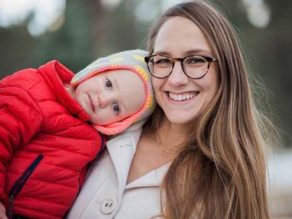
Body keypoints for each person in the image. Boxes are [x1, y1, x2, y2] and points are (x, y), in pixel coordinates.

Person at [67, 1, 272, 219]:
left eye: (195, 60)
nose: (176, 79)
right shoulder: (107, 127)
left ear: (225, 70)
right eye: (163, 60)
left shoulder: (227, 187)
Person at [0, 49, 155, 219]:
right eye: (108, 84)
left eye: (116, 108)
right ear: (95, 70)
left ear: (119, 123)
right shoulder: (36, 89)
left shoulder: (96, 139)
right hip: (6, 207)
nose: (103, 99)